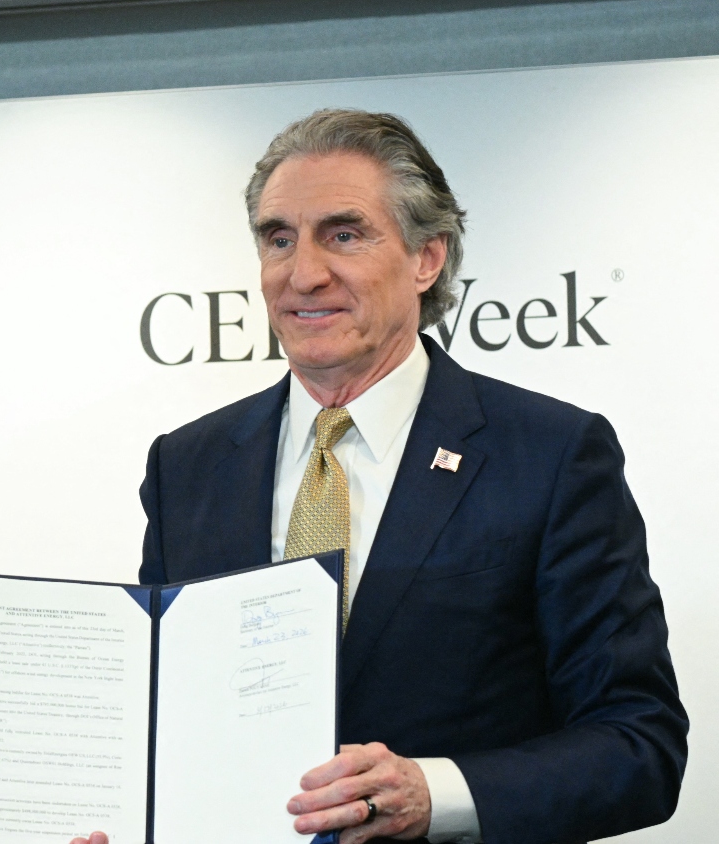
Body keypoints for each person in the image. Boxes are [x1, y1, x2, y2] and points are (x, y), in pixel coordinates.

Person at [76, 109, 685, 844]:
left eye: (343, 234)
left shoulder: (551, 455)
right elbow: (169, 723)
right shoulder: (188, 466)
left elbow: (638, 744)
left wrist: (435, 794)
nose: (304, 274)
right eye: (279, 238)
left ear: (427, 258)